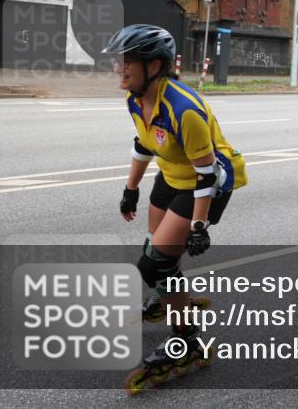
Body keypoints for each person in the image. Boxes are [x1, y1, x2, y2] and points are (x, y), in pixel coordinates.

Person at [103, 24, 248, 387]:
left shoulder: (185, 110)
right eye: (117, 62)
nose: (119, 68)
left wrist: (198, 227)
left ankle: (187, 341)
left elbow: (206, 174)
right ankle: (173, 295)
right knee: (158, 247)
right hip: (171, 174)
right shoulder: (134, 98)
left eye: (127, 62)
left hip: (208, 181)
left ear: (154, 66)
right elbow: (144, 143)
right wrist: (130, 188)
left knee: (153, 265)